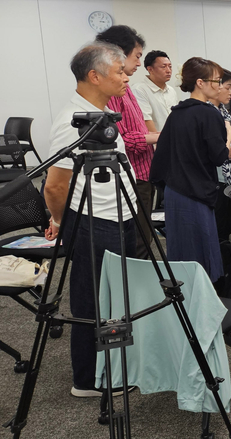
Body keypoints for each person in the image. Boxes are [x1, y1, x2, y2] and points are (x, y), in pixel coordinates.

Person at [44, 42, 138, 397]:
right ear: (94, 76)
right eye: (119, 72)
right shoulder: (73, 122)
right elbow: (55, 185)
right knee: (91, 300)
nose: (126, 78)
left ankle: (111, 364)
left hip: (120, 217)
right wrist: (61, 222)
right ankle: (87, 379)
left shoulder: (103, 113)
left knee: (114, 298)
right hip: (94, 222)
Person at [149, 57, 231, 287]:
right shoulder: (209, 114)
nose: (219, 86)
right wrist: (228, 139)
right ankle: (203, 298)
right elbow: (218, 156)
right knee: (200, 251)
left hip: (174, 191)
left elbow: (162, 155)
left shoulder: (177, 112)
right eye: (216, 81)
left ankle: (183, 297)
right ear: (201, 82)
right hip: (196, 192)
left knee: (180, 250)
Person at [97, 25, 157, 260]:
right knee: (139, 239)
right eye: (137, 56)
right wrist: (158, 137)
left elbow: (136, 128)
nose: (139, 63)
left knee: (143, 234)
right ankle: (137, 281)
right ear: (119, 54)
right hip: (132, 173)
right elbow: (119, 138)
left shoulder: (126, 86)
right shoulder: (111, 90)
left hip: (143, 170)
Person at [209, 69, 231, 282]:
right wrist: (226, 149)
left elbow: (227, 137)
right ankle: (220, 274)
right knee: (218, 228)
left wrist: (229, 148)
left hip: (228, 175)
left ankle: (226, 271)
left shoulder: (223, 110)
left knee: (227, 225)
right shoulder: (208, 112)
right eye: (227, 88)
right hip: (215, 178)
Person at [132, 50, 176, 132]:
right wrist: (158, 139)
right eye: (163, 67)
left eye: (170, 66)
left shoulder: (171, 90)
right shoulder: (139, 89)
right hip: (154, 138)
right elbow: (146, 120)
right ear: (150, 69)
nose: (168, 70)